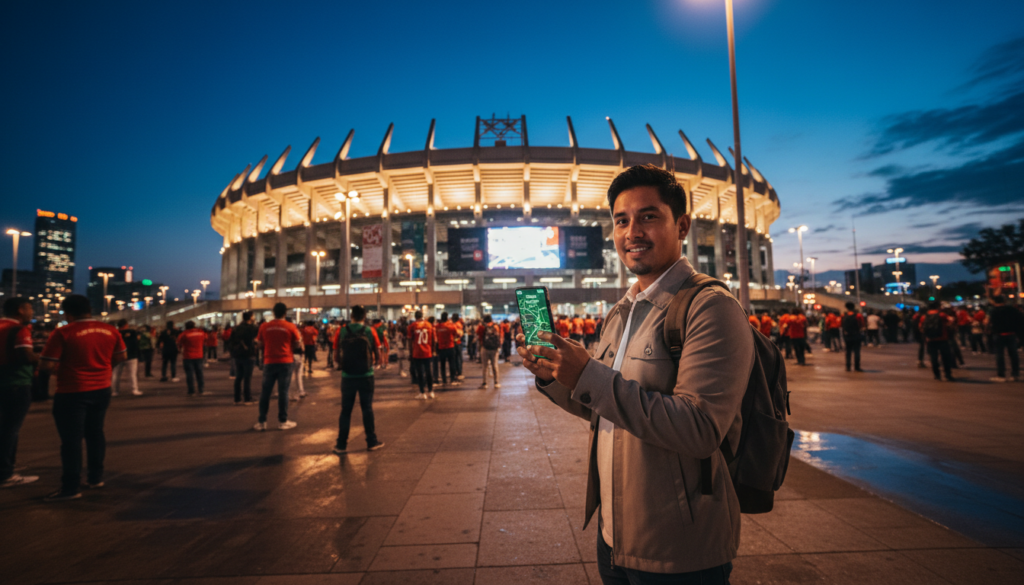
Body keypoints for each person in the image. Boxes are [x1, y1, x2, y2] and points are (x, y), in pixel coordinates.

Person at [518, 164, 750, 582]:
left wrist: (588, 373)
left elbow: (699, 428)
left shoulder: (710, 307)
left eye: (648, 216)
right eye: (621, 221)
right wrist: (556, 376)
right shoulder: (622, 312)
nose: (632, 232)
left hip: (678, 548)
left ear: (682, 225)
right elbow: (606, 405)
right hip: (614, 535)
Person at [39, 294, 126, 501]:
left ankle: (71, 487)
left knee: (71, 440)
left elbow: (46, 365)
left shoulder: (63, 332)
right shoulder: (110, 330)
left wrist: (62, 370)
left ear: (68, 313)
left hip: (72, 392)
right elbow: (121, 356)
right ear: (89, 309)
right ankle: (95, 478)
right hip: (102, 390)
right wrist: (103, 369)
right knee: (95, 434)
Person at [333, 305, 385, 454]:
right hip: (366, 376)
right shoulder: (369, 330)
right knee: (367, 408)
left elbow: (336, 353)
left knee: (345, 411)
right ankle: (371, 442)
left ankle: (341, 445)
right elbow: (377, 351)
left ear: (352, 316)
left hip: (347, 376)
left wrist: (340, 365)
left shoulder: (342, 330)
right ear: (364, 317)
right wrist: (376, 364)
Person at [0, 297, 40, 488]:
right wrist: (42, 358)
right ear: (20, 310)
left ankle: (6, 465)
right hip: (17, 382)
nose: (32, 312)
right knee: (10, 429)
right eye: (30, 308)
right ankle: (6, 474)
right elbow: (25, 355)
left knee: (5, 427)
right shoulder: (19, 329)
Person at [255, 303, 301, 430]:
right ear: (285, 313)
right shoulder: (291, 326)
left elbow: (259, 344)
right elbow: (297, 345)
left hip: (269, 361)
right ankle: (283, 421)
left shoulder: (264, 326)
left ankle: (262, 422)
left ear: (273, 312)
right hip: (286, 361)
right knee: (283, 392)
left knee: (265, 392)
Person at [988, 295, 1022, 382]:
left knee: (999, 355)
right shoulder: (1012, 309)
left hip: (999, 334)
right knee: (1014, 355)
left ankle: (1001, 375)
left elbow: (988, 322)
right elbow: (1020, 320)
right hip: (1011, 334)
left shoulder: (993, 311)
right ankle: (1015, 374)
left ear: (995, 302)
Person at [920, 301, 956, 382]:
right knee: (946, 357)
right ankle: (947, 374)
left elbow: (921, 328)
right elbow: (951, 320)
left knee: (933, 358)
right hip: (943, 338)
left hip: (930, 340)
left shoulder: (924, 316)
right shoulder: (942, 315)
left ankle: (937, 375)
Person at [229, 311, 258, 404]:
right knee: (247, 378)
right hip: (249, 354)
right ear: (250, 317)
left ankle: (237, 398)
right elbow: (256, 340)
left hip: (238, 355)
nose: (254, 318)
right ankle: (247, 398)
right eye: (253, 316)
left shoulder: (237, 328)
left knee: (239, 377)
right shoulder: (252, 328)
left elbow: (231, 341)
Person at [407, 311, 435, 399]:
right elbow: (434, 339)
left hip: (417, 352)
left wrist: (410, 353)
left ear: (415, 317)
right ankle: (431, 391)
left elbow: (410, 340)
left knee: (420, 373)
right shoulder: (429, 325)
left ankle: (422, 392)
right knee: (428, 372)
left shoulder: (412, 326)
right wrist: (433, 350)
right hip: (428, 351)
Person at [111, 319, 142, 396]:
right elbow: (137, 342)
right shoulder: (132, 332)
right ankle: (135, 390)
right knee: (132, 374)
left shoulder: (115, 333)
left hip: (118, 355)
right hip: (131, 355)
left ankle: (115, 391)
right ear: (126, 325)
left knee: (116, 374)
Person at [178, 321, 207, 396]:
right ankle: (201, 389)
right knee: (199, 373)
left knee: (189, 374)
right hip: (199, 355)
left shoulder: (184, 334)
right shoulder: (201, 332)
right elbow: (205, 338)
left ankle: (191, 391)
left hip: (188, 356)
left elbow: (179, 343)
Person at [478, 314, 502, 389]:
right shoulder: (496, 326)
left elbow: (478, 334)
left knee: (485, 366)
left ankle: (485, 383)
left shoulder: (482, 327)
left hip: (485, 348)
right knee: (495, 365)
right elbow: (499, 336)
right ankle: (496, 382)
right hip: (494, 349)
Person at [435, 312, 458, 386]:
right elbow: (455, 334)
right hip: (450, 346)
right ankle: (452, 379)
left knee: (442, 364)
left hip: (441, 347)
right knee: (452, 364)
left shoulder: (437, 327)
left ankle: (444, 380)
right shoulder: (451, 326)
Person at [841, 302, 865, 372]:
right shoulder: (858, 315)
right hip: (856, 335)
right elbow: (862, 325)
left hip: (847, 336)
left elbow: (841, 325)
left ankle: (848, 366)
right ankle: (857, 367)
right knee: (857, 351)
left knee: (848, 352)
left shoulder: (843, 315)